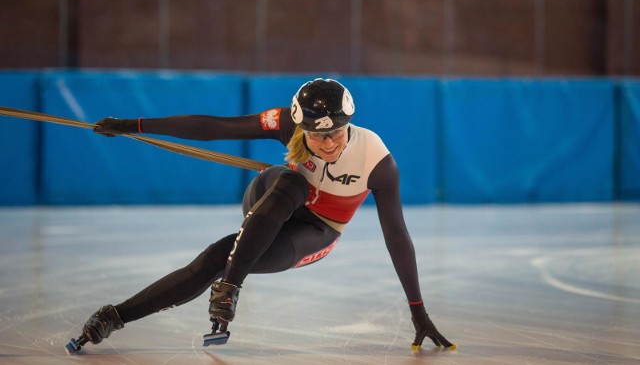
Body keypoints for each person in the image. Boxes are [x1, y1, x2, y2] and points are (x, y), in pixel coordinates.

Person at [75, 78, 455, 351]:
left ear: (348, 123)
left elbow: (397, 235)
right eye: (317, 136)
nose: (328, 144)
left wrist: (417, 309)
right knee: (294, 183)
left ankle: (114, 316)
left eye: (337, 134)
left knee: (215, 257)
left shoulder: (377, 161)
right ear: (300, 126)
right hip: (273, 197)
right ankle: (230, 289)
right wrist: (132, 126)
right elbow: (213, 127)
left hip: (317, 230)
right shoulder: (286, 123)